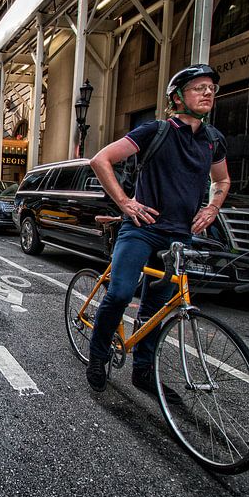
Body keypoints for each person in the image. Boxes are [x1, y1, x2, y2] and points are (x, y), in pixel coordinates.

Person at [85, 64, 231, 400]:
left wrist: (211, 208)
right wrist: (125, 203)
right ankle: (98, 355)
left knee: (157, 309)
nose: (208, 92)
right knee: (121, 293)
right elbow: (101, 159)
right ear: (177, 98)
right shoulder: (156, 130)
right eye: (198, 87)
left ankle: (143, 372)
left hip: (179, 236)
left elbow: (222, 181)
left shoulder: (213, 140)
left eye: (211, 87)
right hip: (141, 230)